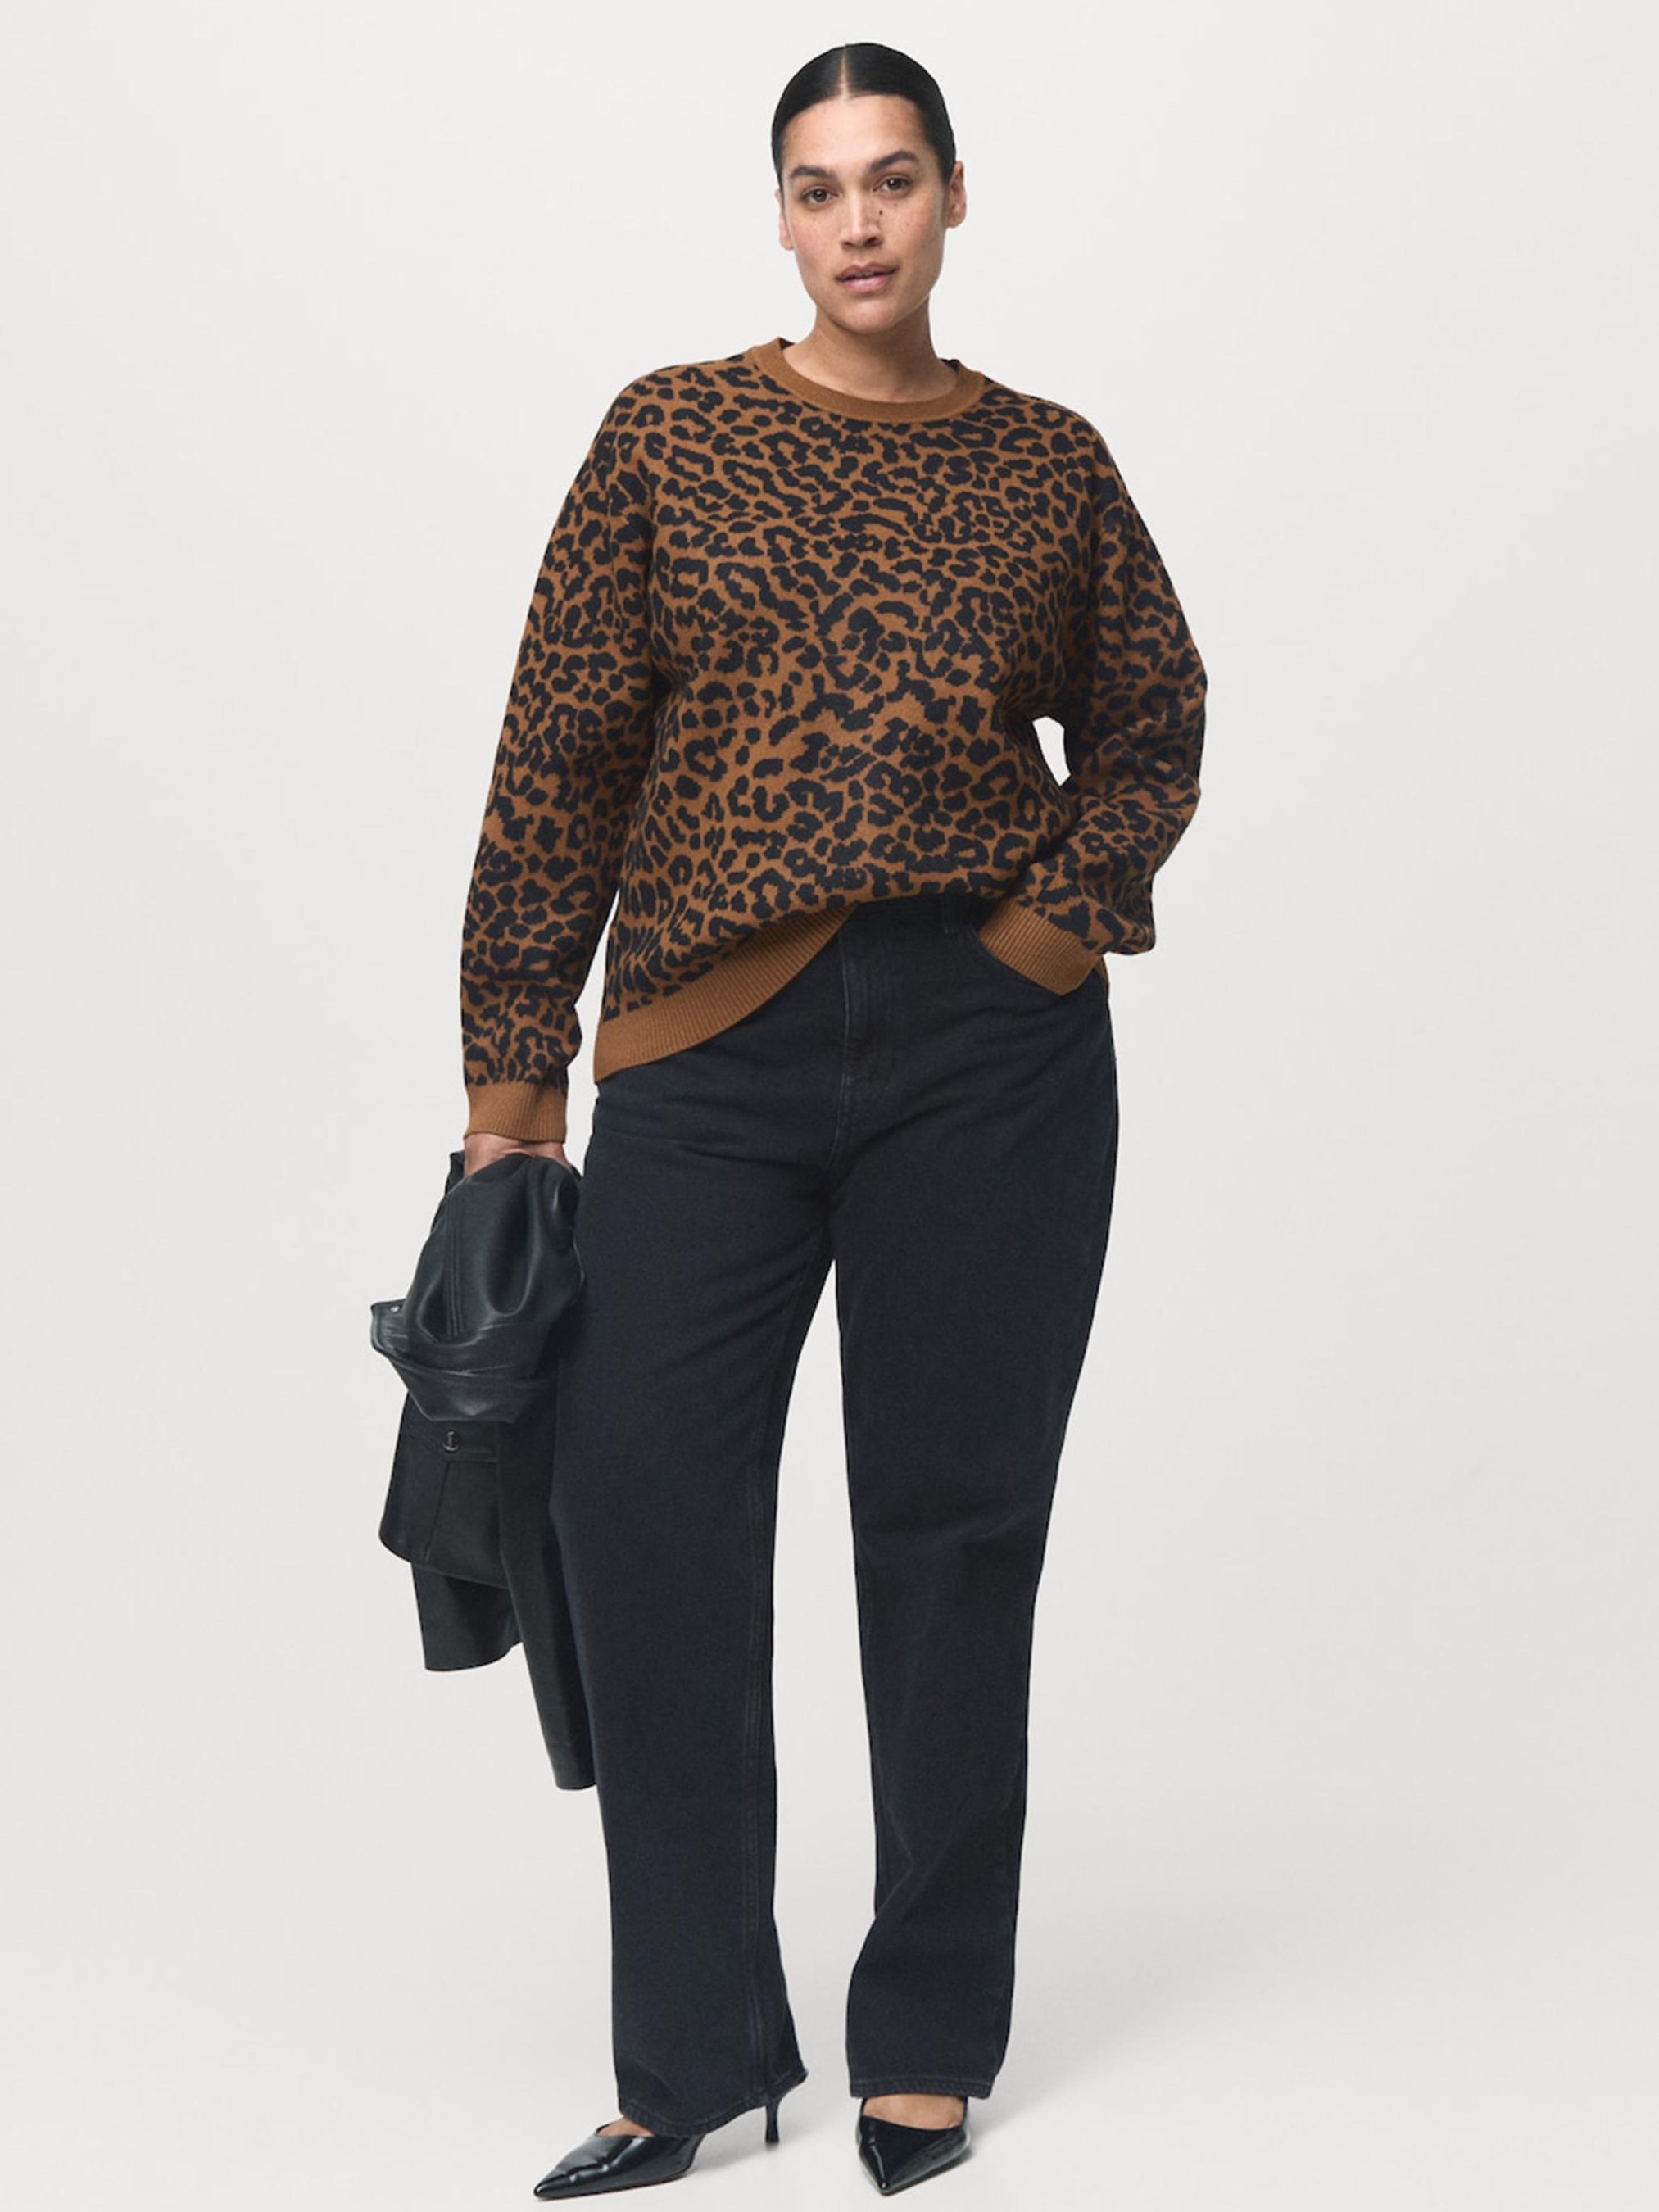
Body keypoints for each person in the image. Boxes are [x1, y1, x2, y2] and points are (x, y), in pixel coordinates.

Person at [458, 40, 1207, 2201]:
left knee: (950, 1537)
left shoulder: (1048, 463)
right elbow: (556, 758)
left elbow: (1154, 718)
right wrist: (513, 1085)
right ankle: (691, 2054)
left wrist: (1044, 937)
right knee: (646, 1521)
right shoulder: (669, 435)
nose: (857, 221)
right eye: (817, 186)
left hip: (989, 1053)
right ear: (778, 215)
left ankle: (927, 2039)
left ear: (955, 196)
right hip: (707, 1053)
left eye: (892, 179)